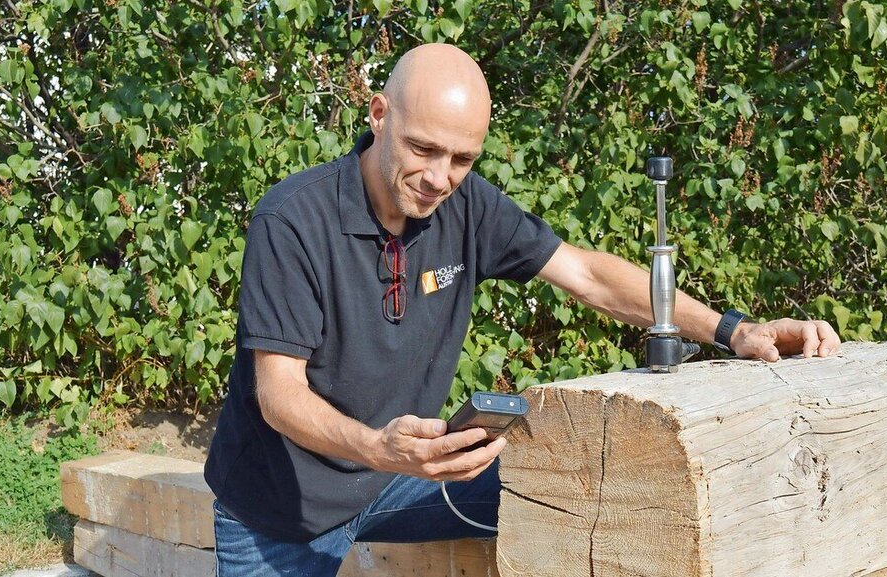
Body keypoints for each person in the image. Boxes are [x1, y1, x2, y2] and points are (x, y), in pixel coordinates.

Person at [203, 43, 841, 576]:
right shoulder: (293, 219)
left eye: (462, 159)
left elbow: (590, 276)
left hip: (405, 478)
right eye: (423, 149)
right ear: (378, 115)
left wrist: (733, 330)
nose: (439, 178)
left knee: (587, 492)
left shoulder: (466, 205)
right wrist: (380, 448)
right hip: (282, 508)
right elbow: (278, 396)